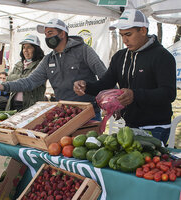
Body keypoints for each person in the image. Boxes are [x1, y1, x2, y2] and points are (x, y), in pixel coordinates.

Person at [73, 9, 176, 144]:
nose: (125, 40)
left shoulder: (162, 56)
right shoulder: (120, 57)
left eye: (128, 34)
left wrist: (135, 95)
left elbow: (168, 93)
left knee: (145, 164)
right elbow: (105, 83)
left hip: (155, 126)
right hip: (130, 124)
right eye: (121, 35)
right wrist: (86, 86)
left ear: (143, 31)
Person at [0, 19, 107, 119]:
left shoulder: (84, 50)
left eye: (50, 33)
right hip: (65, 115)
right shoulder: (48, 60)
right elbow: (29, 82)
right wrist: (2, 86)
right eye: (46, 34)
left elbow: (105, 76)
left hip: (88, 114)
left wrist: (112, 102)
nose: (47, 37)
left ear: (62, 34)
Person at [4, 34, 46, 111]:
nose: (25, 50)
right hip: (14, 104)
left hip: (31, 105)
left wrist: (17, 78)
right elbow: (8, 79)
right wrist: (23, 77)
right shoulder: (19, 64)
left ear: (36, 49)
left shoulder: (41, 65)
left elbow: (30, 81)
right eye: (24, 47)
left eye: (29, 47)